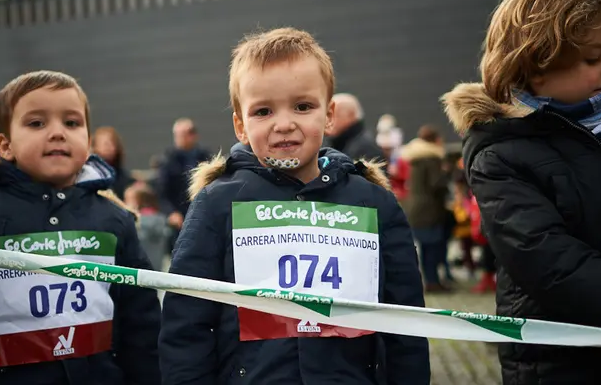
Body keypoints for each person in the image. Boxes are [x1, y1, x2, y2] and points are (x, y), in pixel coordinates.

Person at [159, 27, 429, 384]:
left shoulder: (373, 202)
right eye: (263, 111)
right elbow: (186, 326)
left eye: (303, 106)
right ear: (240, 125)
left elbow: (405, 324)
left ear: (329, 114)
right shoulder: (216, 203)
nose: (284, 124)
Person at [442, 0, 601, 384]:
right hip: (566, 365)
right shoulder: (500, 152)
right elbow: (553, 266)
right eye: (594, 57)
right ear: (536, 63)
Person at [0, 71, 161, 384]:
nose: (57, 133)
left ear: (88, 140)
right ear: (5, 145)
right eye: (36, 123)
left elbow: (142, 325)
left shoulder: (114, 219)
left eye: (72, 123)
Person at [399, 125, 452, 292]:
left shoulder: (415, 159)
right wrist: (446, 175)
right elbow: (436, 183)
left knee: (425, 248)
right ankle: (433, 281)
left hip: (415, 208)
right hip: (429, 210)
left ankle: (430, 280)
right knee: (433, 248)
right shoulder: (432, 159)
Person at [157, 118, 210, 244]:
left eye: (190, 132)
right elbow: (161, 192)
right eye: (181, 134)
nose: (186, 137)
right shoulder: (168, 160)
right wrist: (171, 213)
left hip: (204, 213)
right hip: (179, 217)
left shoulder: (205, 156)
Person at [327, 93, 386, 162]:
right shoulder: (341, 144)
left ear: (351, 115)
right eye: (329, 115)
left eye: (336, 115)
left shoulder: (366, 150)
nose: (329, 120)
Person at [92, 126, 136, 200]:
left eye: (112, 143)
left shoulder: (125, 179)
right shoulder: (91, 176)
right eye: (105, 144)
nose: (109, 147)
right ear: (95, 147)